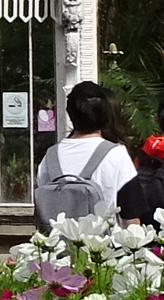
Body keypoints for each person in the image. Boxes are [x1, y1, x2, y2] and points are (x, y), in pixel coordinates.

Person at [32, 82, 134, 230]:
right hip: (103, 250)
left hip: (57, 250)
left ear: (70, 114)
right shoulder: (117, 154)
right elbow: (131, 219)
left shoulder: (50, 157)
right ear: (106, 113)